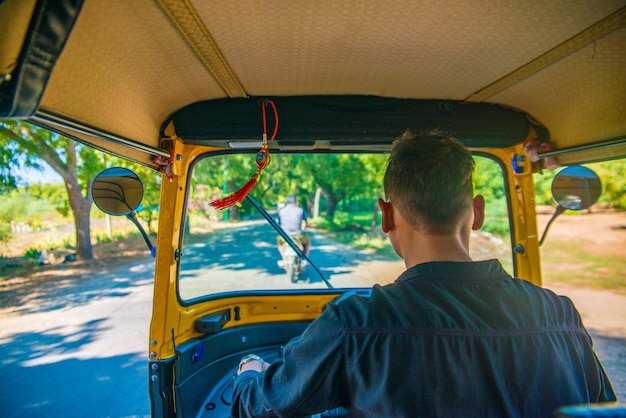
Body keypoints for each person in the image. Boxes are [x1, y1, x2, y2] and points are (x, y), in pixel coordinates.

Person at [231, 131, 616, 417]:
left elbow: (264, 407)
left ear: (385, 215)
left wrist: (250, 373)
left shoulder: (355, 325)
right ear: (477, 213)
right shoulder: (560, 316)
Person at [276, 194, 310, 259]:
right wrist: (305, 227)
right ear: (295, 202)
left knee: (279, 244)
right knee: (307, 242)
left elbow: (279, 224)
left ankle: (284, 259)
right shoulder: (300, 210)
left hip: (285, 236)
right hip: (298, 235)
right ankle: (305, 259)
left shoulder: (281, 211)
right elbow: (306, 223)